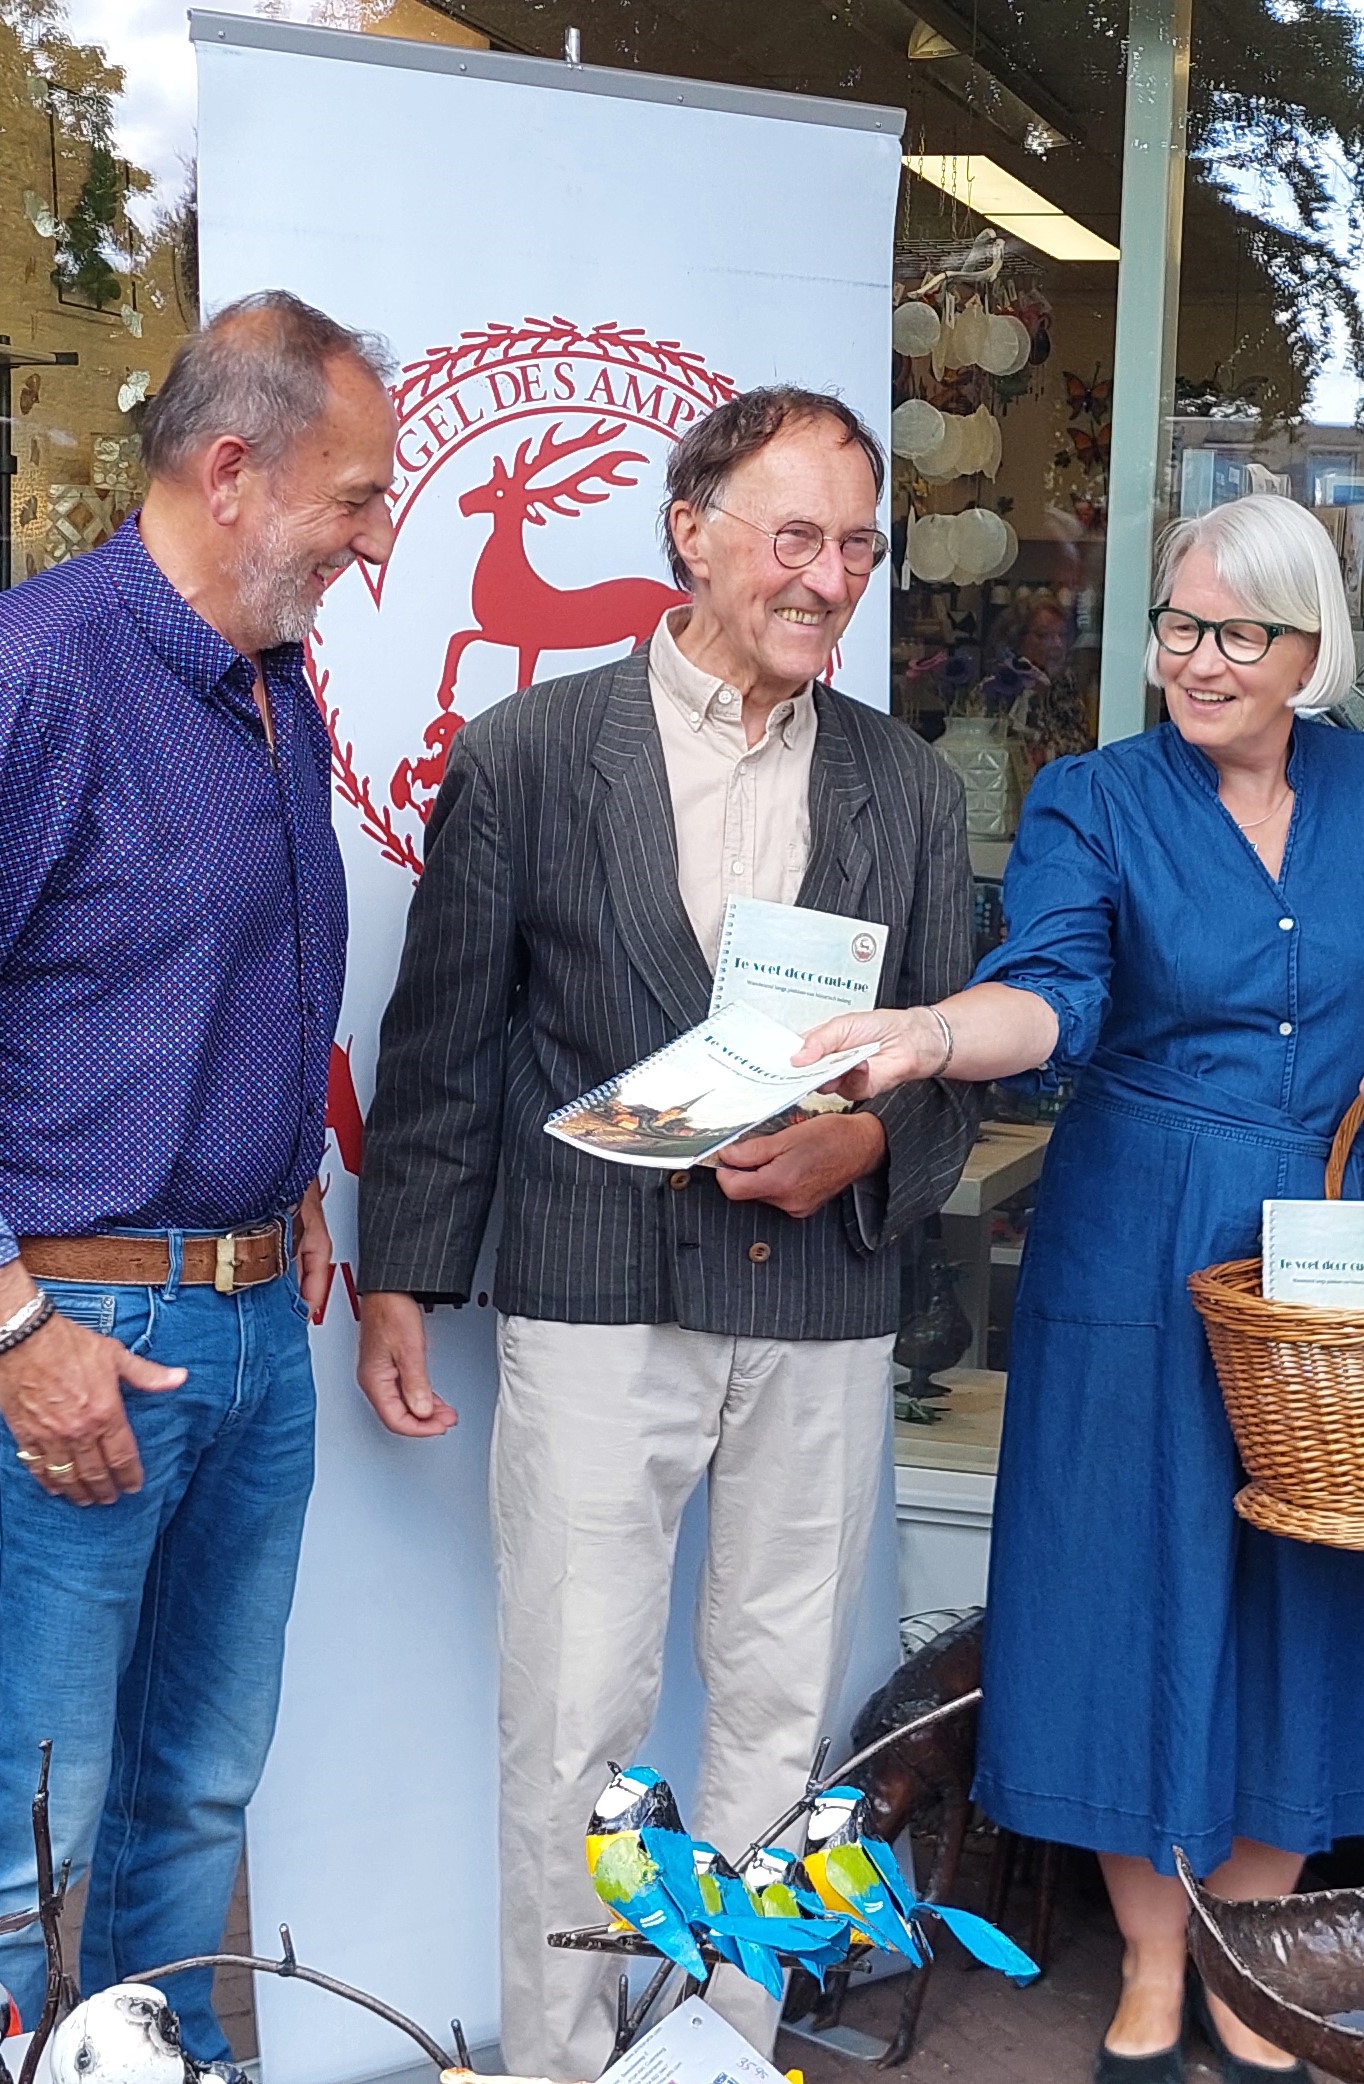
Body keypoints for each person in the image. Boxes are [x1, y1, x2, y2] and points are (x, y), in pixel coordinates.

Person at [798, 492, 1364, 2084]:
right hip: (1139, 1231)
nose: (1198, 659)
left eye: (1238, 633)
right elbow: (1052, 991)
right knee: (1127, 1579)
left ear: (1310, 648)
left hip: (1330, 1224)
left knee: (1312, 1577)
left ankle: (1251, 1952)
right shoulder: (1093, 799)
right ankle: (1154, 1960)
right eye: (1179, 626)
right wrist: (931, 1035)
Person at [0, 292, 397, 2058]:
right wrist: (7, 1324)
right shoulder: (27, 676)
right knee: (30, 1811)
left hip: (248, 1323)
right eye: (357, 498)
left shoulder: (270, 683)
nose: (376, 541)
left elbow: (207, 975)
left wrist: (288, 1179)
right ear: (234, 471)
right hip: (79, 1322)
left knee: (195, 1794)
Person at [352, 388, 979, 2077]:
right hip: (596, 1290)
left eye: (859, 547)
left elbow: (948, 1057)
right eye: (796, 537)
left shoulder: (911, 788)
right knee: (575, 1726)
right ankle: (563, 2066)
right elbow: (447, 1040)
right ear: (690, 533)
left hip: (821, 1311)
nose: (830, 578)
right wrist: (403, 1275)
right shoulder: (532, 753)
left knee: (779, 1728)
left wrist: (870, 1142)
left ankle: (719, 2052)